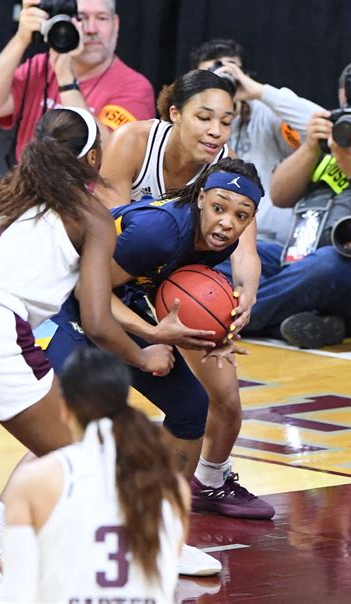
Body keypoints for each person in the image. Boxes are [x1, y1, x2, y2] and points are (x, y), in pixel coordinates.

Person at [0, 157, 267, 603]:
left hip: (111, 303)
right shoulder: (161, 230)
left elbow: (162, 290)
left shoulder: (214, 241)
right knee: (66, 423)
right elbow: (86, 292)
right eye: (219, 207)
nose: (227, 223)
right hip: (62, 302)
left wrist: (215, 332)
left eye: (240, 216)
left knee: (192, 408)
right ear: (200, 197)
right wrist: (150, 338)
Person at [0, 107, 174, 514]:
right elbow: (97, 320)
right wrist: (143, 353)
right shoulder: (89, 213)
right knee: (88, 464)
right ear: (94, 159)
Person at [98, 69, 274, 518]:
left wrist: (242, 301)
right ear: (174, 113)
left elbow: (245, 250)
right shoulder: (134, 143)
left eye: (227, 121)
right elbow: (100, 246)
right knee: (86, 405)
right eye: (204, 117)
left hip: (176, 284)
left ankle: (209, 482)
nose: (216, 131)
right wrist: (152, 332)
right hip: (114, 275)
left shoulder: (227, 171)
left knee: (225, 397)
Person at [0, 0, 156, 274]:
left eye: (102, 18)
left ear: (116, 25)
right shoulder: (40, 65)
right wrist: (21, 39)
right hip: (24, 199)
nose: (92, 29)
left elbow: (107, 152)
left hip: (76, 214)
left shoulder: (134, 86)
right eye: (82, 18)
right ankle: (3, 268)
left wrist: (66, 79)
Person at [0, 348, 189, 603]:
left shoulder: (35, 480)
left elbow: (16, 593)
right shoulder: (172, 485)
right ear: (123, 403)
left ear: (64, 409)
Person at [257, 57, 351, 348]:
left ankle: (226, 322)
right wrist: (310, 147)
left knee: (324, 266)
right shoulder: (333, 141)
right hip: (297, 256)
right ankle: (321, 325)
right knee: (234, 250)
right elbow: (279, 196)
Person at [189, 38, 323, 249]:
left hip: (270, 242)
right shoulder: (191, 123)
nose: (220, 82)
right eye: (209, 77)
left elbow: (325, 126)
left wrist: (259, 92)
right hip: (213, 240)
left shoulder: (266, 113)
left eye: (228, 72)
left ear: (244, 75)